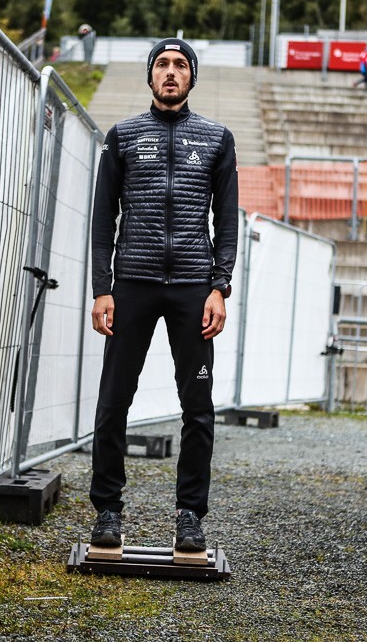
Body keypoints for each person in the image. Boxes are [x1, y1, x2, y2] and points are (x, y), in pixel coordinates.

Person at [88, 38, 239, 553]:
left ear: (191, 76)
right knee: (113, 402)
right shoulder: (123, 136)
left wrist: (219, 286)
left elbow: (227, 222)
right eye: (161, 64)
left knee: (197, 406)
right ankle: (108, 510)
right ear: (150, 76)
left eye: (179, 65)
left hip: (194, 290)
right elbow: (103, 219)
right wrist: (102, 289)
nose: (170, 72)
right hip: (133, 285)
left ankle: (190, 515)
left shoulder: (217, 138)